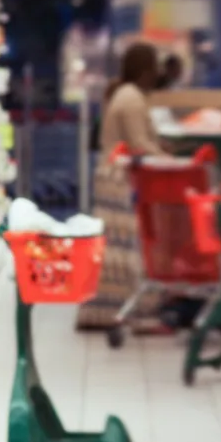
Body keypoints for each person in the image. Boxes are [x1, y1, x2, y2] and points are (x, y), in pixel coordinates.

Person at [77, 42, 166, 331]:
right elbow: (140, 144)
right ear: (145, 69)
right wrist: (172, 159)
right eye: (153, 67)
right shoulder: (132, 99)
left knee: (114, 251)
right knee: (130, 249)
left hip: (110, 177)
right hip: (119, 180)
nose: (157, 74)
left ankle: (102, 313)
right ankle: (139, 314)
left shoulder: (126, 94)